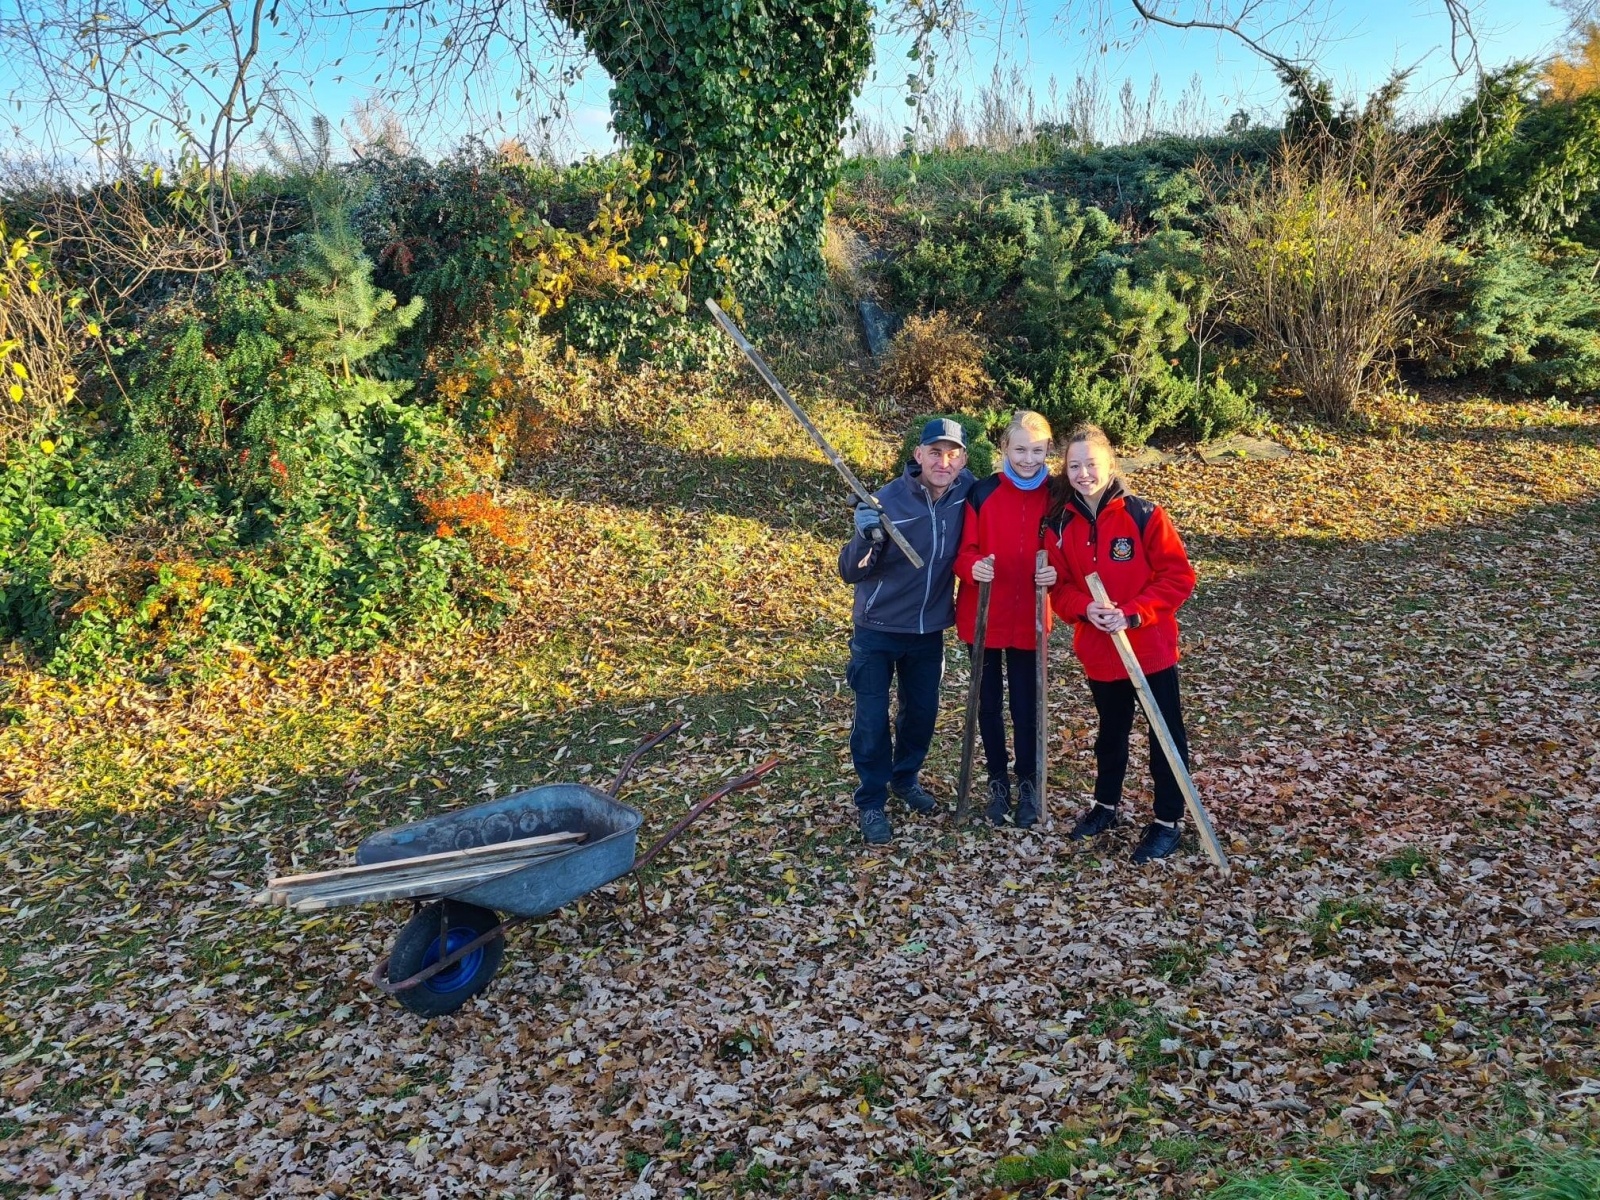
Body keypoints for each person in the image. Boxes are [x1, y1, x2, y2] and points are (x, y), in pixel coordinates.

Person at [1042, 423, 1198, 864]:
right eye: (1074, 465)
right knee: (1110, 734)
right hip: (1100, 651)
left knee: (1163, 735)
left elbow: (1177, 577)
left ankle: (1168, 820)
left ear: (1111, 464)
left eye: (1092, 463)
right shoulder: (1059, 525)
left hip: (1148, 647)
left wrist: (1132, 612)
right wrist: (1084, 609)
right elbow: (1062, 586)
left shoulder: (1144, 514)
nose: (1084, 473)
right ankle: (1105, 806)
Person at [838, 417, 975, 844]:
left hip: (927, 632)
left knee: (921, 714)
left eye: (952, 454)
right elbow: (848, 570)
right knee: (872, 720)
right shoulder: (886, 502)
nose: (943, 461)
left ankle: (905, 778)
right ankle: (872, 800)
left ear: (963, 460)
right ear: (918, 456)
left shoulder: (967, 494)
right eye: (935, 452)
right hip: (876, 630)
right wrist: (864, 537)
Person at [952, 410, 1058, 828]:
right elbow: (963, 552)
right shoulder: (982, 493)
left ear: (1049, 449)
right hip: (985, 615)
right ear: (1004, 449)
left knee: (1026, 705)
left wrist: (1057, 573)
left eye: (1036, 450)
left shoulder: (1058, 495)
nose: (1028, 459)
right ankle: (998, 781)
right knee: (989, 703)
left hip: (1030, 617)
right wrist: (972, 566)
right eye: (1019, 450)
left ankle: (1029, 781)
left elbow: (1065, 554)